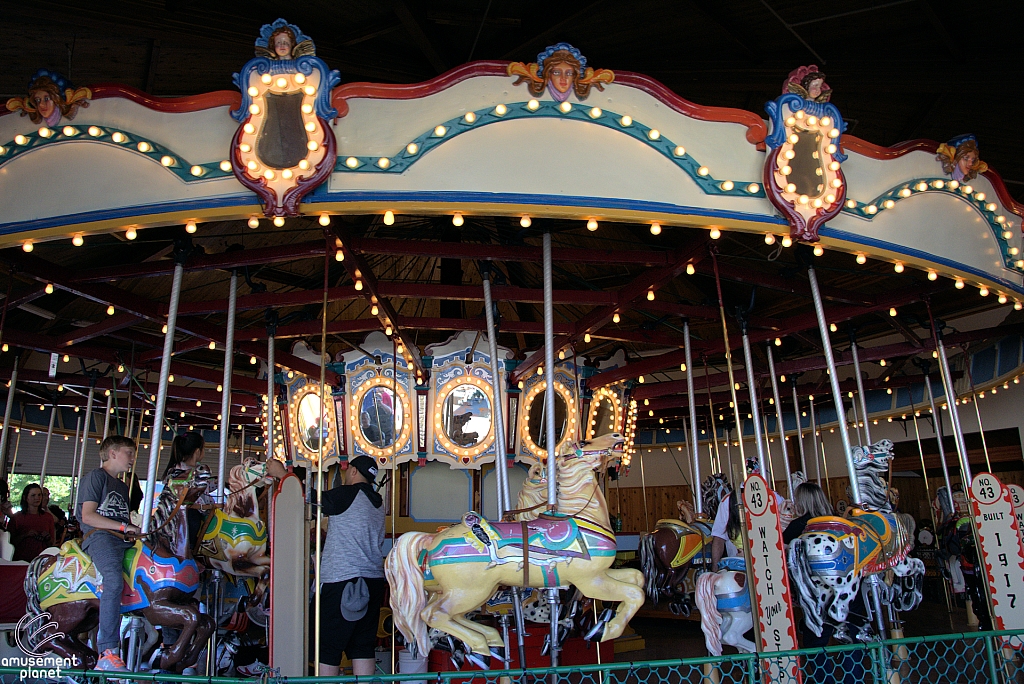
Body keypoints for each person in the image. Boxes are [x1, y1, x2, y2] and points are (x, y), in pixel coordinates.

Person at [312, 455, 386, 676]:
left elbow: (308, 499)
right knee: (362, 646)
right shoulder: (378, 502)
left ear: (353, 471)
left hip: (342, 580)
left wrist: (283, 476)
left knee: (328, 647)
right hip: (373, 580)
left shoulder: (347, 493)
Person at [76, 436, 141, 672]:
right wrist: (124, 528)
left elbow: (122, 520)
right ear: (112, 453)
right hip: (100, 537)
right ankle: (107, 651)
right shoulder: (96, 477)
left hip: (120, 539)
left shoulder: (123, 487)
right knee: (113, 581)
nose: (133, 458)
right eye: (129, 453)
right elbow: (88, 516)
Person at [161, 433, 211, 550]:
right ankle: (192, 552)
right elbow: (197, 496)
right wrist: (212, 504)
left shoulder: (175, 469)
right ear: (198, 452)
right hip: (186, 516)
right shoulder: (186, 474)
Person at [9, 483, 56, 561]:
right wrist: (25, 535)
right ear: (25, 498)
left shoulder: (48, 517)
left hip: (42, 559)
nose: (37, 498)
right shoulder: (17, 517)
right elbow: (10, 542)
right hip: (21, 558)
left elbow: (51, 543)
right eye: (33, 495)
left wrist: (47, 537)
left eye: (39, 495)